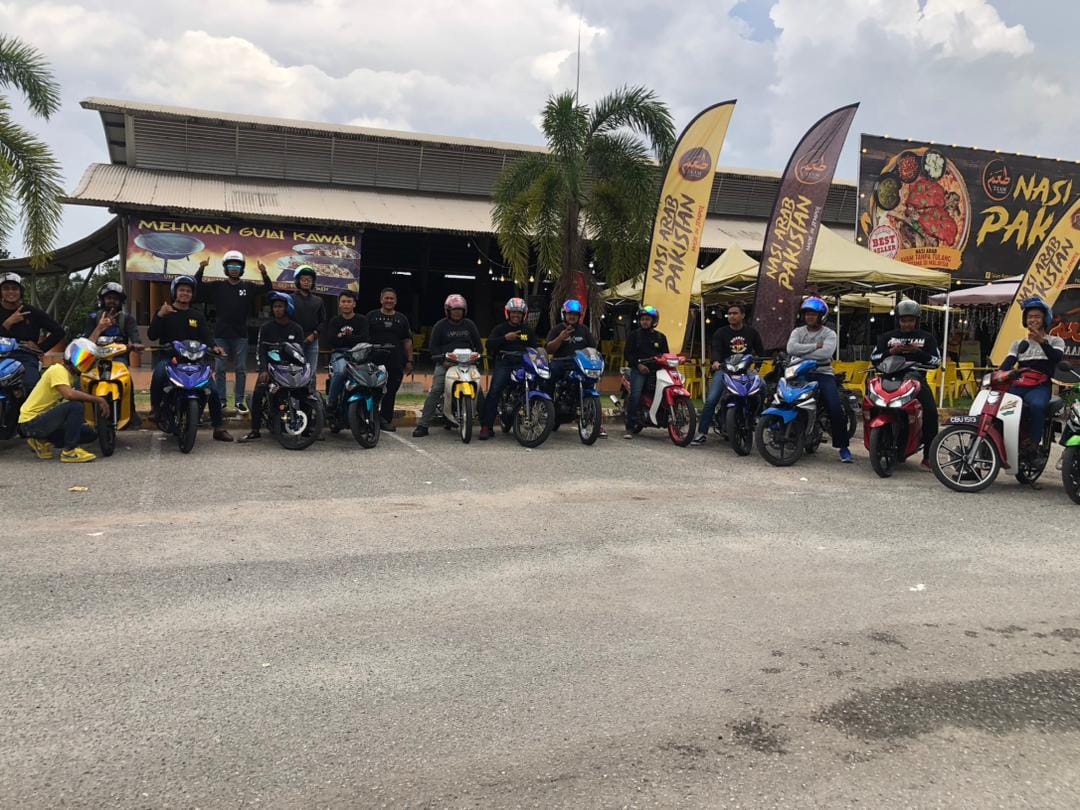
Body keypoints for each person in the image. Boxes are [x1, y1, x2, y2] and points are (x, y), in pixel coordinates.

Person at [147, 275, 233, 442]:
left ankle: (218, 427)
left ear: (192, 294)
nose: (185, 293)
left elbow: (206, 335)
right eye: (181, 290)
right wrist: (160, 315)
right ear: (175, 292)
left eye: (188, 291)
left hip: (194, 361)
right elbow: (152, 335)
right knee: (158, 374)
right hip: (170, 359)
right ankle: (155, 409)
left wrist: (214, 346)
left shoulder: (197, 315)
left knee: (212, 389)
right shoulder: (165, 311)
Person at [194, 250, 273, 414]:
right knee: (220, 369)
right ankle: (221, 401)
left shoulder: (248, 287)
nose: (234, 269)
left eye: (237, 266)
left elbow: (267, 288)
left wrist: (264, 273)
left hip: (241, 335)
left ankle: (239, 401)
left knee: (241, 369)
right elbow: (197, 285)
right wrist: (201, 269)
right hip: (221, 334)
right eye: (231, 266)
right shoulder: (217, 286)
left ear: (242, 268)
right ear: (226, 268)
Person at [870, 299, 942, 469]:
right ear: (898, 320)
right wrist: (890, 352)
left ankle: (928, 456)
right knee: (872, 404)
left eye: (910, 320)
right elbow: (874, 358)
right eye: (904, 320)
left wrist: (918, 353)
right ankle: (878, 442)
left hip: (915, 379)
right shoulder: (887, 337)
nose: (907, 324)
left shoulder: (927, 338)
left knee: (931, 412)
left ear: (916, 320)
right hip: (889, 378)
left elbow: (936, 361)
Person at [18, 337, 109, 462]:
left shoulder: (71, 376)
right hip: (31, 421)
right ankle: (69, 451)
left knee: (90, 434)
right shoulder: (58, 370)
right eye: (80, 358)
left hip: (43, 421)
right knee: (76, 406)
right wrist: (99, 400)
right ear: (69, 355)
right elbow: (69, 395)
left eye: (87, 361)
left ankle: (40, 441)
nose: (82, 363)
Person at [786, 296, 852, 462]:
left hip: (823, 373)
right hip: (798, 372)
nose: (809, 317)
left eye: (813, 314)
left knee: (834, 407)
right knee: (784, 399)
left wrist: (801, 352)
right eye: (807, 313)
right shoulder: (797, 332)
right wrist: (815, 346)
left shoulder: (829, 333)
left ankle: (843, 447)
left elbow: (826, 354)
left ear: (821, 316)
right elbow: (790, 348)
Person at [692, 303, 764, 445]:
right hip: (725, 370)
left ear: (742, 315)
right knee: (711, 400)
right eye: (729, 314)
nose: (731, 316)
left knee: (762, 388)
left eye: (735, 313)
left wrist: (758, 367)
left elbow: (760, 351)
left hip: (745, 371)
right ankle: (702, 433)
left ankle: (755, 418)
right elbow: (716, 351)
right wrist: (716, 362)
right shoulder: (721, 333)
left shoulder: (751, 332)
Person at [239, 292, 308, 443]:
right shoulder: (266, 328)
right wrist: (263, 370)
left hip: (291, 369)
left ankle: (309, 428)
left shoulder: (297, 329)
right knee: (258, 393)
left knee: (306, 392)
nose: (277, 309)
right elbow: (261, 351)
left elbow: (300, 352)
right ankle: (255, 430)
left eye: (280, 306)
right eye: (275, 307)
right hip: (270, 368)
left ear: (288, 308)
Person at [999, 296, 1065, 451]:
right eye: (1029, 317)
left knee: (1037, 405)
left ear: (1045, 319)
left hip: (1040, 386)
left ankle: (1034, 442)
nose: (1033, 320)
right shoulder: (1018, 343)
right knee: (1000, 406)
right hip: (1019, 383)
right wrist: (998, 375)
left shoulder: (1056, 341)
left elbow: (1056, 358)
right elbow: (1008, 362)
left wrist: (1042, 342)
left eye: (1037, 316)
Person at [413, 294, 483, 438]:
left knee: (479, 391)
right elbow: (433, 348)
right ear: (448, 311)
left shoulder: (470, 325)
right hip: (446, 363)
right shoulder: (440, 326)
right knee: (436, 389)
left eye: (460, 309)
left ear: (464, 311)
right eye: (454, 309)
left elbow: (479, 346)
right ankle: (423, 425)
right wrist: (442, 360)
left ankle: (486, 426)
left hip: (467, 364)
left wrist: (476, 357)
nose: (457, 312)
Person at [81, 281, 144, 429]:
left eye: (115, 298)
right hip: (95, 357)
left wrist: (136, 343)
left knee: (127, 381)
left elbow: (135, 336)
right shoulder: (93, 317)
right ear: (102, 300)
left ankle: (131, 413)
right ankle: (82, 414)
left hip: (118, 356)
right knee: (81, 382)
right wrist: (100, 327)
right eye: (108, 298)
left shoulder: (127, 319)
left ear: (121, 301)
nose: (112, 301)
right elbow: (86, 338)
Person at [479, 297, 538, 440]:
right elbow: (489, 345)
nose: (516, 315)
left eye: (519, 313)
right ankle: (486, 426)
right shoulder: (500, 329)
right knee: (495, 390)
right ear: (508, 313)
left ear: (524, 314)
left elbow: (534, 348)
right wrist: (505, 338)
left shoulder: (527, 331)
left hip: (522, 363)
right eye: (513, 312)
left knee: (535, 386)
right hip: (504, 362)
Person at [0, 271, 65, 392]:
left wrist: (40, 348)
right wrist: (7, 323)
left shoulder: (32, 312)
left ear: (20, 291)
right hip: (1, 356)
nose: (10, 292)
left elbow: (59, 331)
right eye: (6, 288)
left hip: (24, 356)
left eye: (14, 288)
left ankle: (30, 410)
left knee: (31, 386)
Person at [366, 287, 413, 431]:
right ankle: (369, 418)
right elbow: (364, 338)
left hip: (396, 360)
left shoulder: (401, 319)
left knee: (391, 391)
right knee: (373, 390)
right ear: (381, 300)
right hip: (374, 360)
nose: (389, 301)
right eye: (386, 298)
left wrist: (409, 361)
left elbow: (407, 341)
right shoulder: (371, 316)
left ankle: (385, 419)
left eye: (392, 298)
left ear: (396, 301)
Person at [622, 305, 669, 439]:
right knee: (636, 394)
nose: (645, 322)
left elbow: (666, 354)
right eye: (642, 319)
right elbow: (627, 354)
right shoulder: (634, 336)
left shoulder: (661, 337)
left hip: (657, 370)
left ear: (653, 321)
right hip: (639, 370)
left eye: (648, 319)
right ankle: (630, 426)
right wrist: (638, 364)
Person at [324, 289, 370, 413]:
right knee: (340, 372)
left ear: (354, 304)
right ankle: (331, 401)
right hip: (340, 353)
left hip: (360, 354)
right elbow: (331, 341)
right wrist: (352, 339)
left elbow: (365, 338)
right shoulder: (335, 321)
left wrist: (343, 336)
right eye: (343, 301)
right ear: (339, 304)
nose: (346, 304)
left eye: (349, 301)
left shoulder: (362, 320)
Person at [544, 299, 596, 392]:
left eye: (575, 314)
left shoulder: (584, 330)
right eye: (570, 314)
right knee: (550, 374)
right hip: (561, 362)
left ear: (579, 316)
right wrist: (560, 338)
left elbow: (592, 348)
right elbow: (548, 350)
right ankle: (549, 402)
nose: (572, 316)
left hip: (579, 364)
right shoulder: (557, 329)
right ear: (564, 315)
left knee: (590, 379)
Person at [290, 265, 326, 393]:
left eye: (309, 280)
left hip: (312, 340)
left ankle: (311, 401)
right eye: (303, 279)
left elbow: (323, 322)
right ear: (297, 281)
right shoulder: (290, 299)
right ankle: (294, 401)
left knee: (311, 372)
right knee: (295, 370)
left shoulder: (318, 301)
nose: (306, 282)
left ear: (313, 282)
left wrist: (314, 334)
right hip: (294, 341)